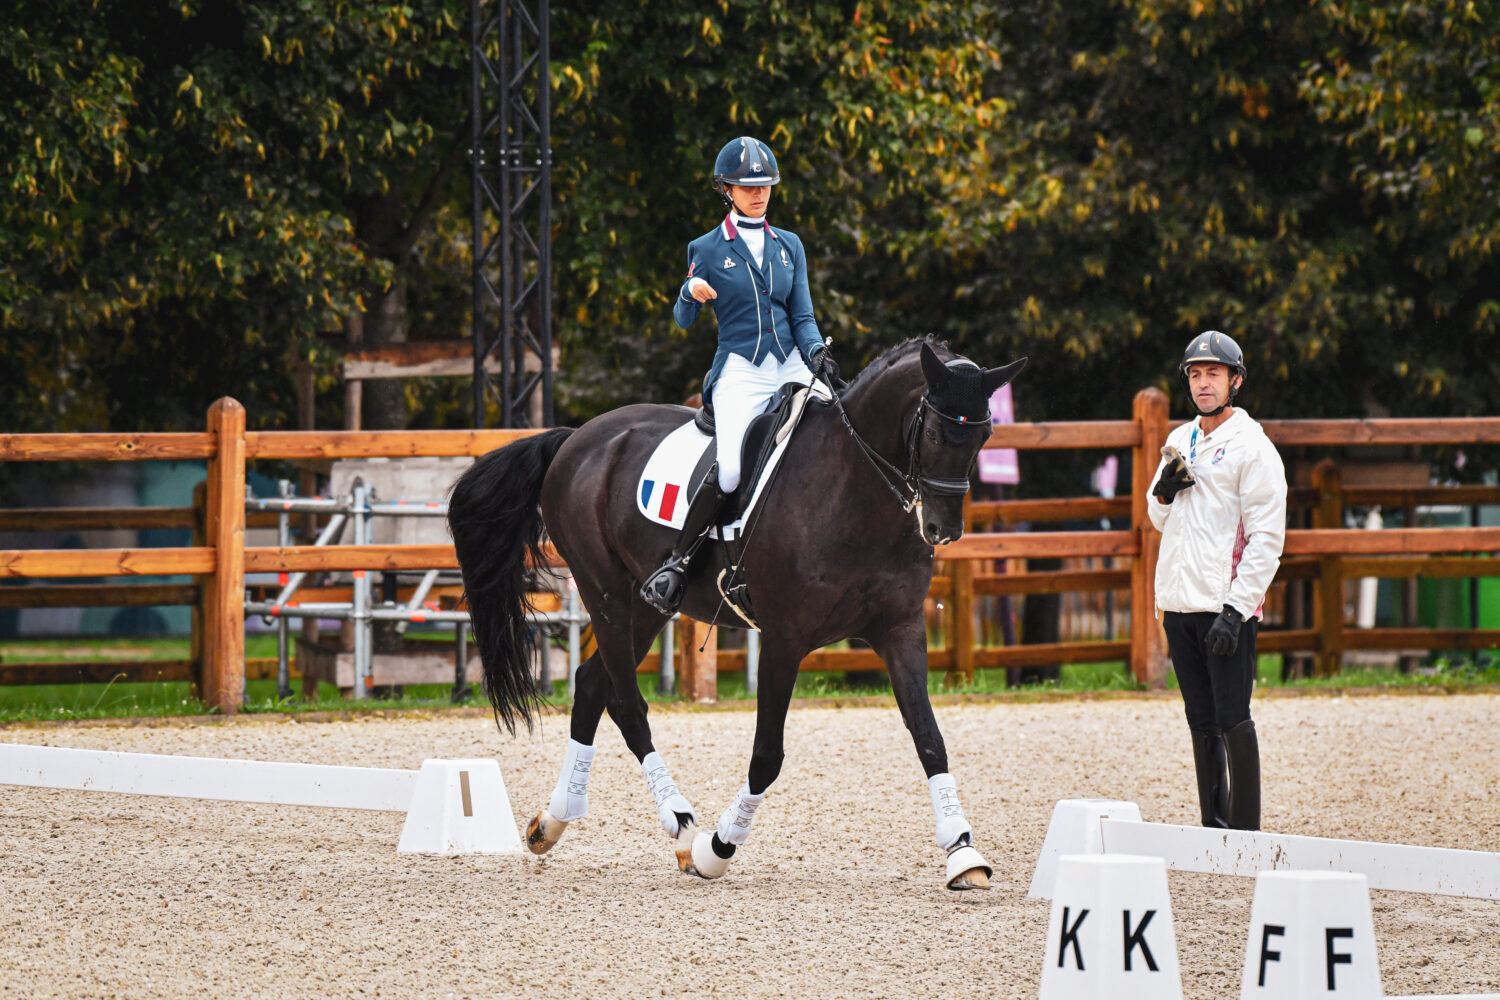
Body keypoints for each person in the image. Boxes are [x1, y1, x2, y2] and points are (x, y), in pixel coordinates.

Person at [640, 136, 838, 615]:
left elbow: (803, 315)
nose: (759, 193)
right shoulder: (706, 248)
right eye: (747, 186)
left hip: (791, 360)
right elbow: (683, 321)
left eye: (765, 185)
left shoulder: (789, 245)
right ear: (726, 189)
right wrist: (689, 291)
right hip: (742, 368)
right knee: (730, 469)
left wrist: (815, 352)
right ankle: (678, 563)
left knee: (840, 436)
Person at [1147, 331, 1286, 830]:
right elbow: (1157, 517)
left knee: (1232, 715)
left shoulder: (1254, 449)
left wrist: (1237, 609)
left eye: (1213, 374)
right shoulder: (1180, 438)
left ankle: (1246, 831)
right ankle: (1214, 826)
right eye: (1195, 374)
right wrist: (1162, 493)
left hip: (1226, 607)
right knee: (1199, 717)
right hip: (1179, 601)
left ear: (1236, 381)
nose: (1203, 384)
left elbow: (1267, 539)